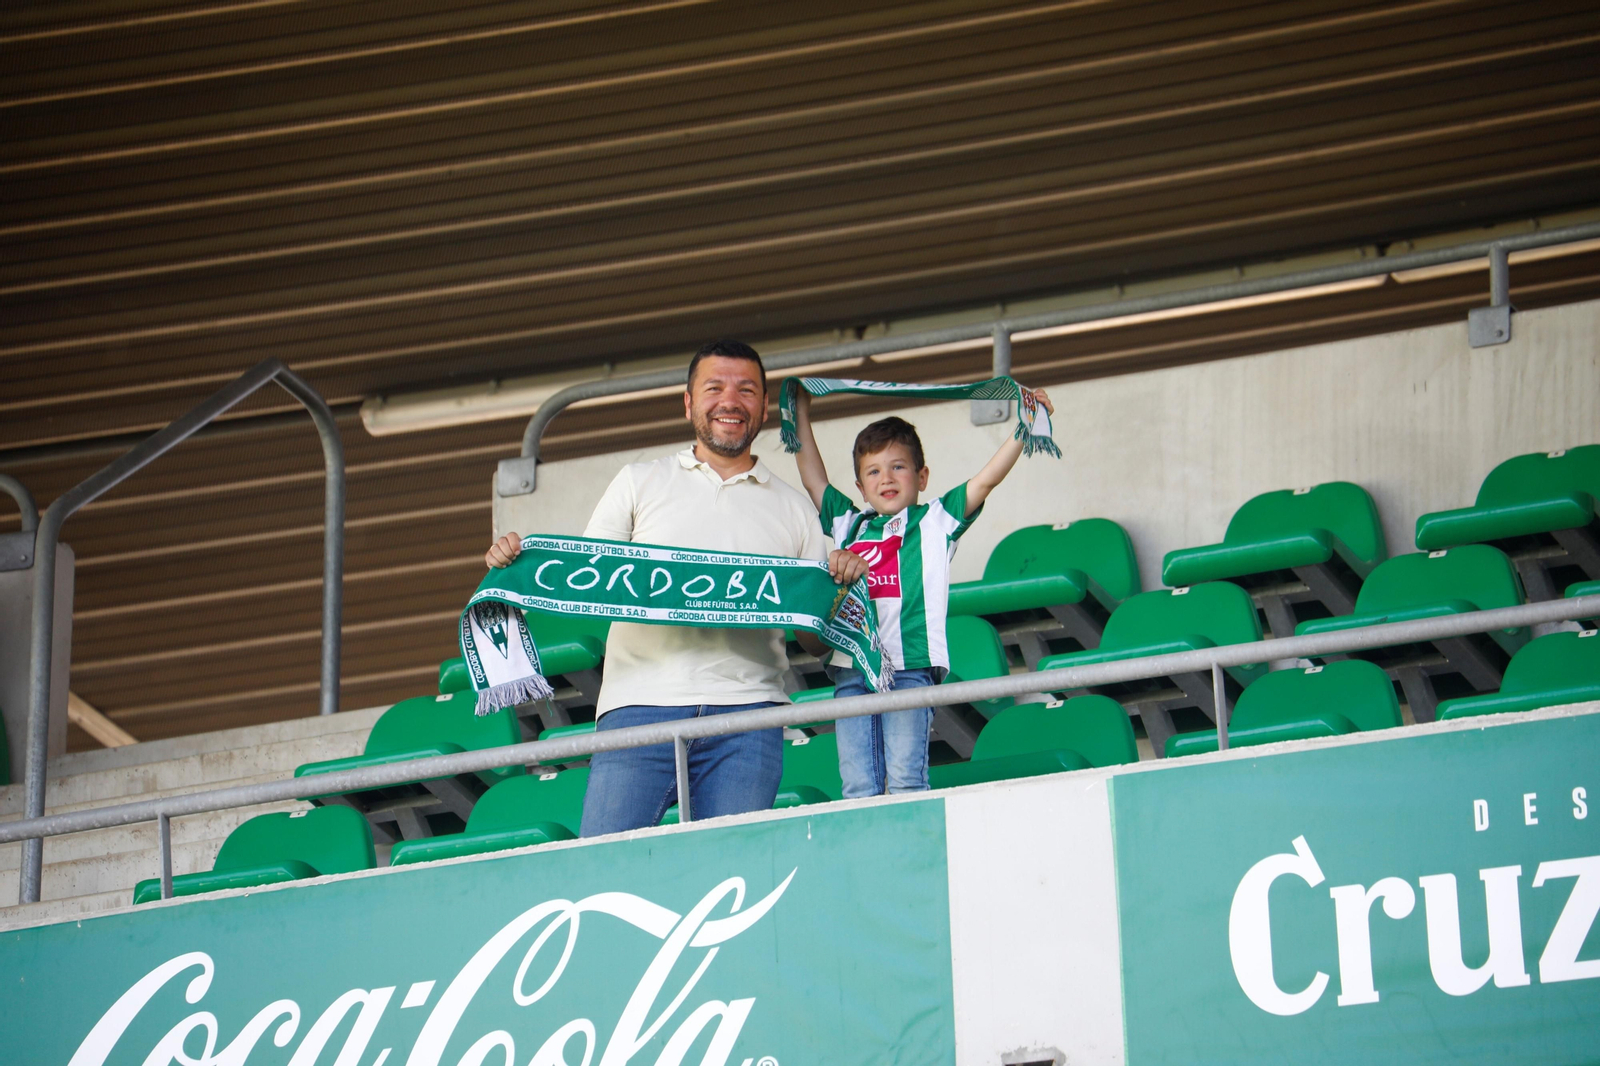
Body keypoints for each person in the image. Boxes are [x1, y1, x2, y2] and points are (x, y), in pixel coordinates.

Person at [485, 341, 868, 835]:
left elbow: (813, 644)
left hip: (749, 716)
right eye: (714, 388)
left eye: (746, 390)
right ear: (688, 403)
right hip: (637, 707)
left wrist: (836, 592)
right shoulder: (639, 481)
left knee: (730, 875)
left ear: (764, 407)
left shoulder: (795, 509)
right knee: (606, 865)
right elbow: (584, 580)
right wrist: (517, 564)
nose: (730, 401)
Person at [790, 386, 1054, 797]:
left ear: (922, 476)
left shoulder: (935, 520)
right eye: (874, 472)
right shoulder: (849, 523)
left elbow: (985, 481)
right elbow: (813, 479)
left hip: (910, 667)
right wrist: (800, 410)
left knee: (906, 780)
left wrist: (1025, 425)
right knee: (858, 785)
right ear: (860, 487)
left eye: (898, 467)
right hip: (851, 667)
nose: (887, 478)